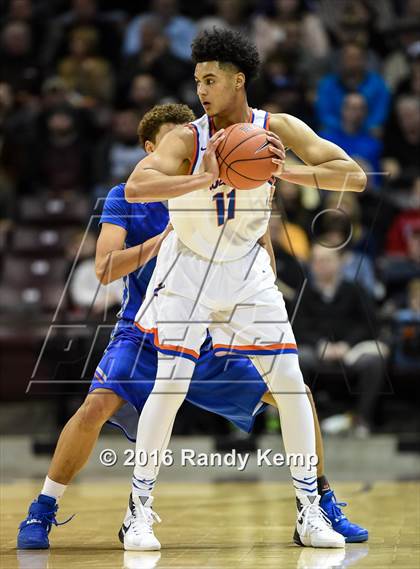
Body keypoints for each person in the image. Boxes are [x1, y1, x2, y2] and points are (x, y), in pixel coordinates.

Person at [17, 104, 368, 551]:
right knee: (95, 407)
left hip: (210, 332)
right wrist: (159, 244)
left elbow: (259, 246)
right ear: (151, 149)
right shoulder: (126, 196)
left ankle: (321, 503)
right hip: (144, 331)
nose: (189, 152)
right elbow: (104, 268)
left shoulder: (225, 183)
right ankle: (43, 509)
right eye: (174, 145)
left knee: (293, 392)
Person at [124, 28, 367, 550]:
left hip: (247, 267)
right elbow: (136, 186)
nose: (203, 90)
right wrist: (201, 178)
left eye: (211, 80)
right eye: (197, 81)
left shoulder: (273, 127)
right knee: (171, 386)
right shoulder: (186, 138)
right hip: (189, 267)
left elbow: (355, 176)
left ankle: (308, 512)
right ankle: (138, 510)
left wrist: (286, 172)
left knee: (291, 386)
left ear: (239, 80)